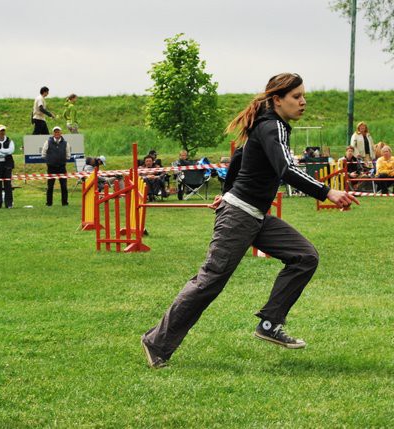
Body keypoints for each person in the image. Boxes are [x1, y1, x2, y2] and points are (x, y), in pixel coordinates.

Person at [140, 73, 358, 369]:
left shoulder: (266, 125)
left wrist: (226, 193)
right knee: (209, 282)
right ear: (277, 100)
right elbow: (286, 170)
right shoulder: (273, 126)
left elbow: (241, 157)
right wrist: (327, 191)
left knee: (304, 256)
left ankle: (269, 324)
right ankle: (156, 342)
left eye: (304, 96)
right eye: (296, 97)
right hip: (240, 217)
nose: (303, 101)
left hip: (254, 216)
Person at [41, 126, 70, 206]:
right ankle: (49, 203)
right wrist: (49, 161)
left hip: (62, 167)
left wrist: (63, 161)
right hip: (51, 167)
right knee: (50, 186)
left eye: (58, 132)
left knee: (64, 186)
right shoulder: (48, 142)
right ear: (53, 133)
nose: (57, 133)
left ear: (61, 133)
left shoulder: (65, 143)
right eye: (55, 132)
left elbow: (68, 154)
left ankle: (65, 203)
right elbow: (43, 153)